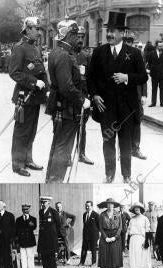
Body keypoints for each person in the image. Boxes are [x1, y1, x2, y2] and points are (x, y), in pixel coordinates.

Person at [87, 11, 148, 183]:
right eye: (108, 30)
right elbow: (90, 78)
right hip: (106, 107)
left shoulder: (134, 53)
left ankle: (127, 175)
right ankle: (109, 174)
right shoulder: (99, 52)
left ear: (123, 33)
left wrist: (127, 77)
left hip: (127, 108)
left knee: (126, 142)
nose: (109, 34)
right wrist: (94, 95)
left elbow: (143, 77)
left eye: (113, 31)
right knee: (108, 141)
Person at [45, 18, 91, 183]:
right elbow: (66, 86)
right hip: (66, 108)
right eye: (73, 34)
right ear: (67, 36)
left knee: (58, 144)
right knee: (64, 147)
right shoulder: (65, 56)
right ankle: (55, 180)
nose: (76, 37)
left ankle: (51, 179)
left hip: (60, 106)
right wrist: (82, 100)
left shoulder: (57, 52)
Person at [9, 17, 48, 177]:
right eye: (36, 29)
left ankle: (28, 159)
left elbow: (41, 71)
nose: (39, 32)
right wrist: (33, 82)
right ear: (27, 29)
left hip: (35, 97)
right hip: (23, 97)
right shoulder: (19, 48)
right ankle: (17, 164)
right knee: (22, 131)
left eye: (39, 29)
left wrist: (46, 88)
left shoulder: (36, 48)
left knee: (31, 130)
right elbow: (14, 72)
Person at [123, 33, 147, 160]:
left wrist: (144, 94)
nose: (129, 43)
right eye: (126, 41)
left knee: (137, 121)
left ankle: (135, 148)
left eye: (131, 41)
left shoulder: (138, 55)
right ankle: (124, 149)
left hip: (136, 94)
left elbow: (143, 76)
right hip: (122, 94)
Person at [73, 26, 94, 165]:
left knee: (82, 126)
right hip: (69, 95)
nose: (80, 40)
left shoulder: (86, 56)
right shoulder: (67, 54)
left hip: (83, 95)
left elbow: (91, 76)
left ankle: (81, 153)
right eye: (78, 37)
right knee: (66, 127)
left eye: (82, 37)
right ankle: (66, 156)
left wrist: (90, 95)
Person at [97, 198, 123, 268]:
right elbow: (100, 227)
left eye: (111, 204)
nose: (110, 205)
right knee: (103, 257)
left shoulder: (118, 214)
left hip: (115, 238)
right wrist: (105, 237)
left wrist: (115, 237)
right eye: (108, 204)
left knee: (113, 257)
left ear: (114, 205)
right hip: (105, 237)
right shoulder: (102, 215)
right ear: (106, 205)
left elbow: (120, 227)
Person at [37, 196, 60, 268]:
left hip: (51, 238)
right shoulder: (40, 212)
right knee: (44, 255)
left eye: (44, 202)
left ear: (49, 203)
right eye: (42, 202)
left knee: (51, 256)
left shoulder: (53, 212)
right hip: (43, 237)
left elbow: (58, 224)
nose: (43, 204)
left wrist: (54, 235)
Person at [127, 202, 150, 268]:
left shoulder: (145, 219)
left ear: (141, 209)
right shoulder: (132, 219)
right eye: (135, 208)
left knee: (142, 258)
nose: (136, 209)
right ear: (133, 209)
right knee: (134, 258)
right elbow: (129, 231)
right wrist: (127, 242)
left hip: (142, 239)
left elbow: (147, 231)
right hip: (133, 239)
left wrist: (146, 241)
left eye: (138, 208)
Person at [15, 204, 37, 268]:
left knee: (30, 257)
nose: (25, 211)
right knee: (23, 258)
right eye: (24, 209)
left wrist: (28, 220)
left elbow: (33, 227)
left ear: (29, 210)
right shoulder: (18, 219)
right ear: (22, 210)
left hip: (29, 241)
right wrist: (17, 241)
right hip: (22, 241)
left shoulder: (33, 219)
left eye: (26, 209)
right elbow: (16, 231)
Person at [147, 41, 163, 107]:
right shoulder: (152, 54)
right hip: (154, 74)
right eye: (159, 46)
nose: (161, 47)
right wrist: (152, 70)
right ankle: (153, 103)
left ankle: (162, 103)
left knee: (162, 88)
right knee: (154, 88)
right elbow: (149, 62)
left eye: (162, 46)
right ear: (157, 46)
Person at [79, 201, 100, 266]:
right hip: (86, 235)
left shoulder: (96, 215)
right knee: (84, 249)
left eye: (88, 206)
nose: (87, 207)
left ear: (91, 206)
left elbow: (99, 226)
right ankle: (82, 262)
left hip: (93, 235)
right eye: (86, 206)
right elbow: (85, 225)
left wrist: (98, 235)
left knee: (93, 249)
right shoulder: (84, 214)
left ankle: (93, 263)